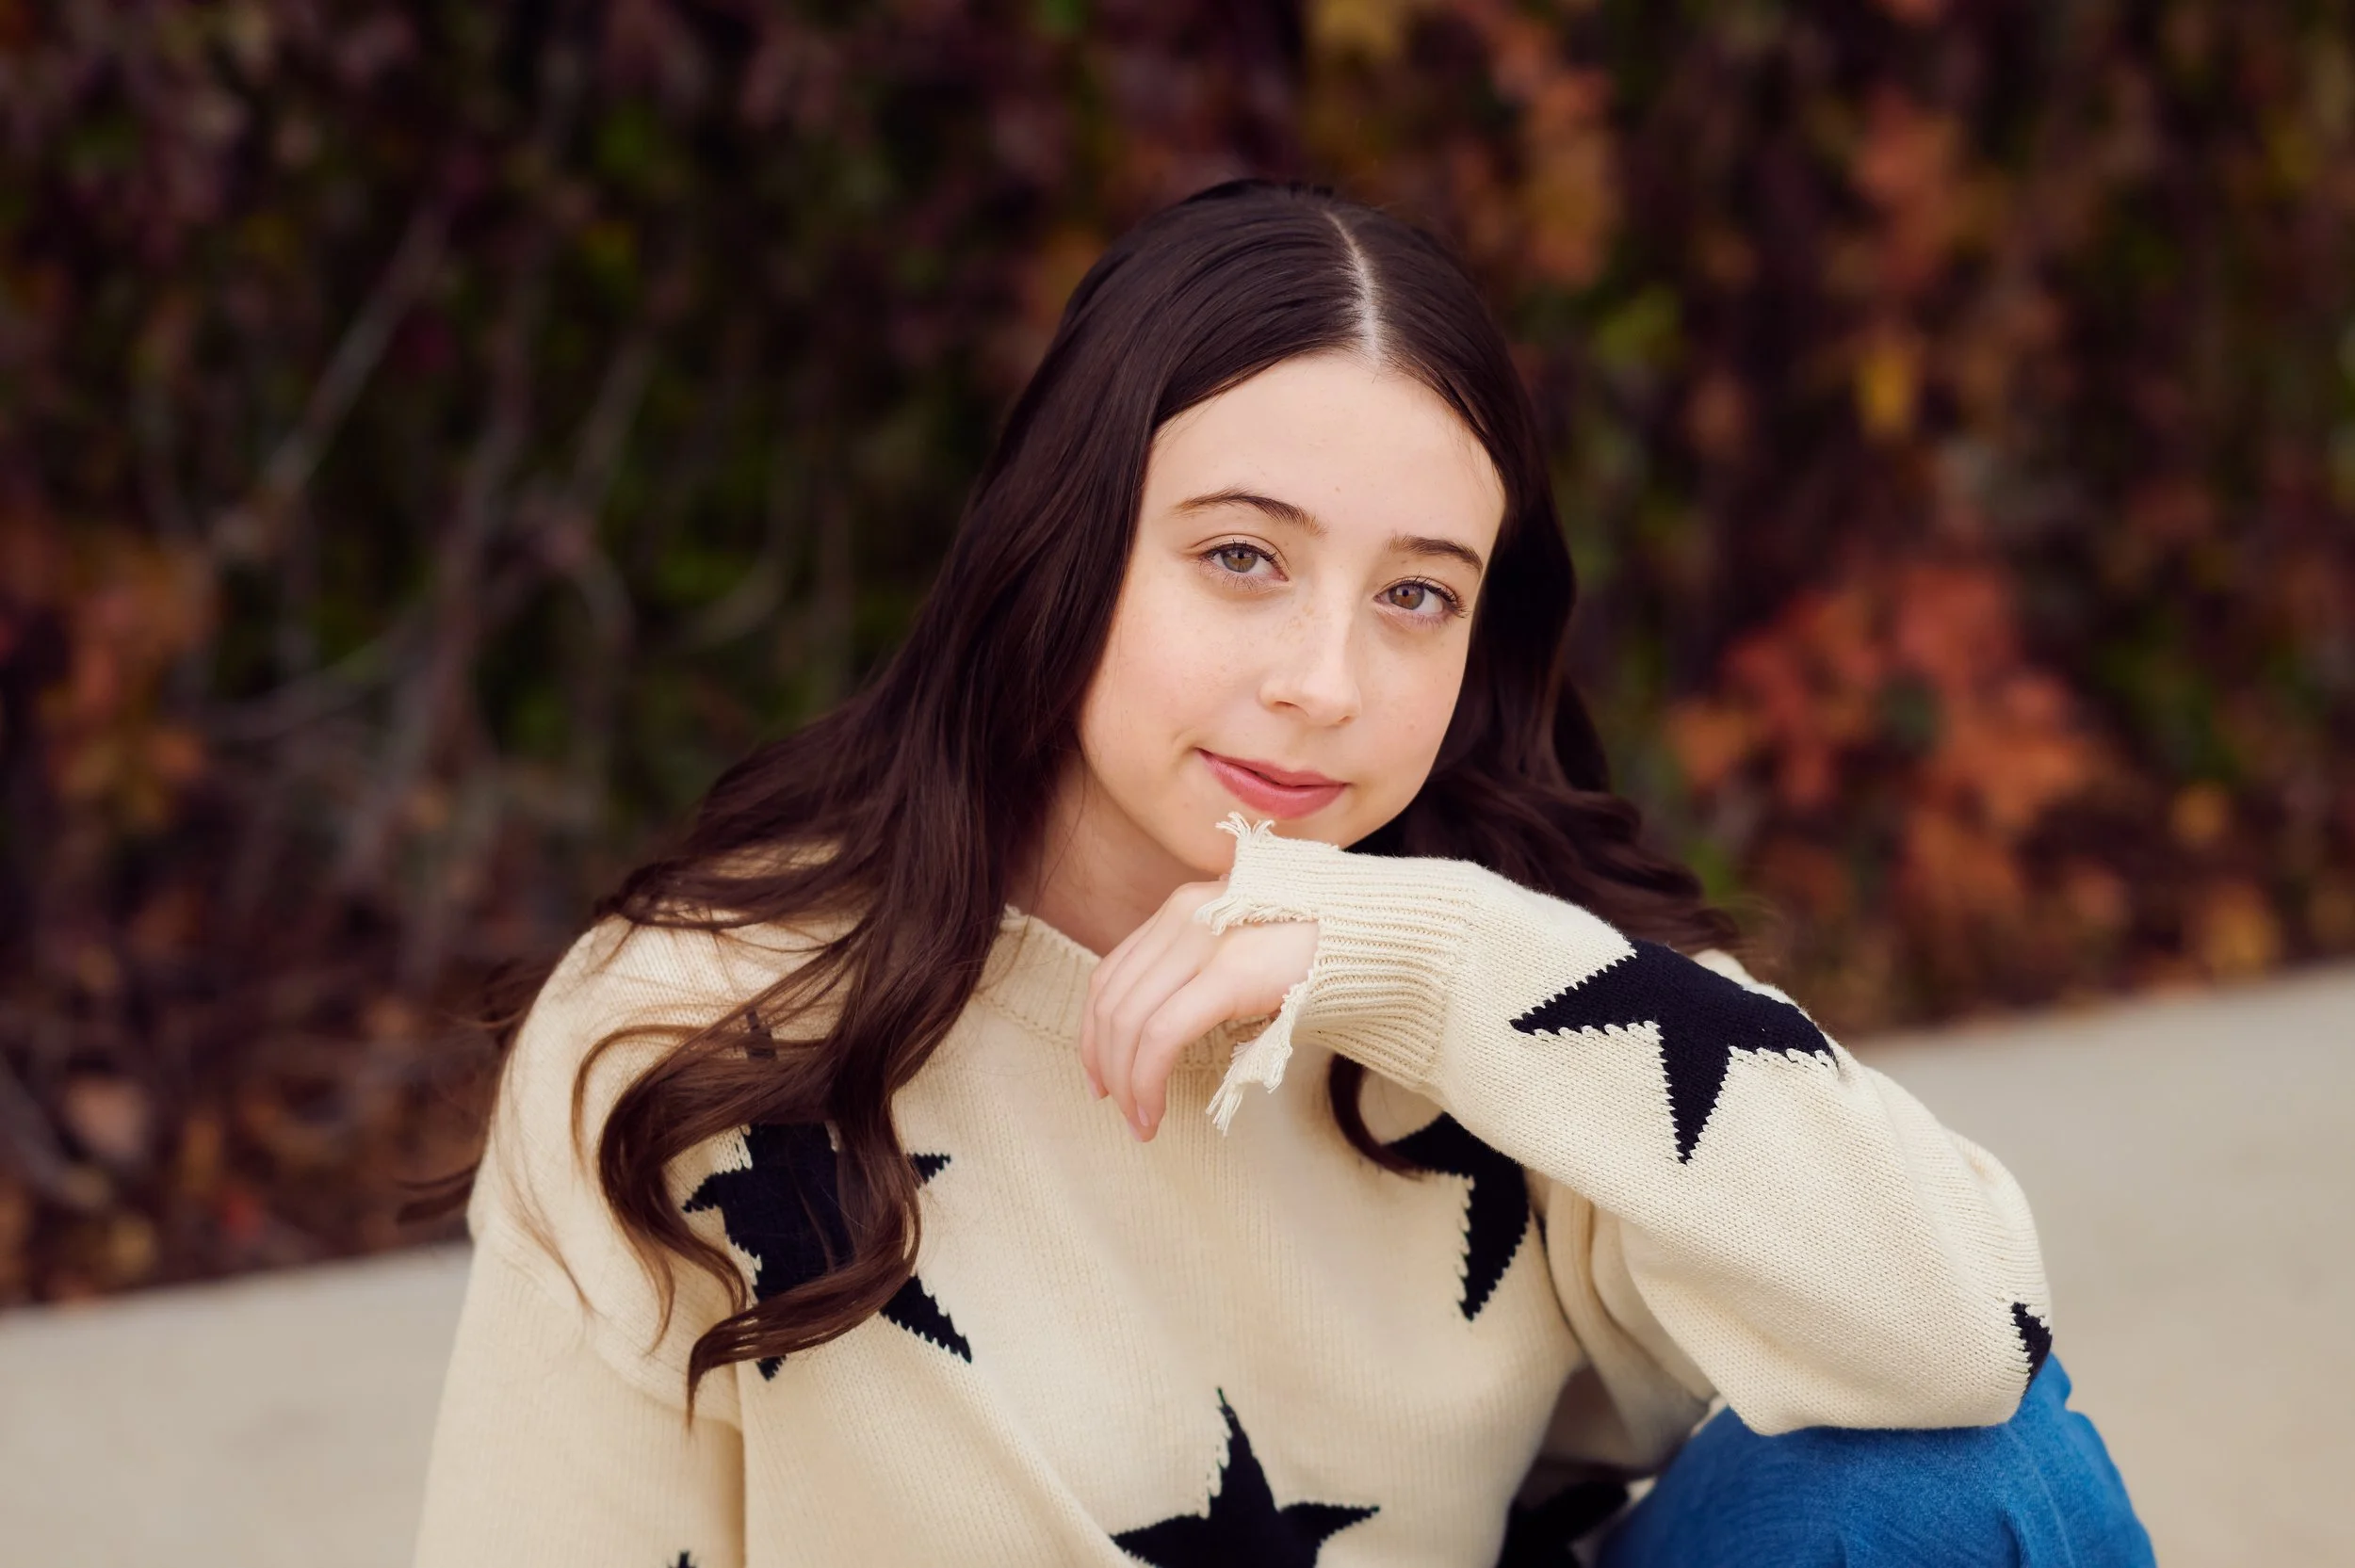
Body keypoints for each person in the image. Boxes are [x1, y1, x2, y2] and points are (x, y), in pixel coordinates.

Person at [411, 179, 2153, 1567]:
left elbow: (1969, 1332)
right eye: (1242, 557)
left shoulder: (1490, 973)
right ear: (1067, 548)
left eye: (1416, 595)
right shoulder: (699, 1021)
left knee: (1968, 1485)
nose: (1327, 681)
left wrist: (1430, 966)